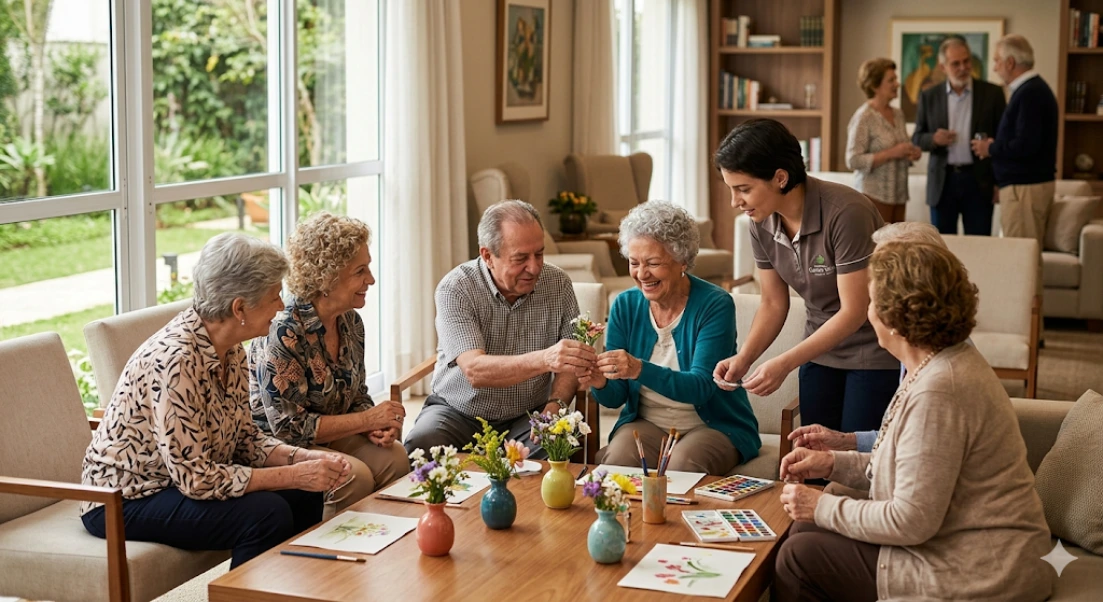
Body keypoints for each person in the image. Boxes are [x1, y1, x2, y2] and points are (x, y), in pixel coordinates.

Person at [773, 242, 1054, 602]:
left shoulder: (940, 390)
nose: (867, 311)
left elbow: (911, 520)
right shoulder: (938, 362)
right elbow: (912, 470)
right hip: (958, 539)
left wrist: (821, 506)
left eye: (872, 302)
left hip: (980, 565)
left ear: (895, 318)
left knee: (799, 557)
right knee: (803, 532)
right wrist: (832, 463)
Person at [81, 234, 351, 569]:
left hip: (176, 482)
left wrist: (301, 458)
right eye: (273, 297)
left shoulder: (231, 348)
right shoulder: (175, 362)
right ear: (240, 307)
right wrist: (294, 474)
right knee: (266, 513)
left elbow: (243, 439)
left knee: (306, 491)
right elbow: (197, 479)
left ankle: (291, 591)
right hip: (125, 499)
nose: (281, 306)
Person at [713, 119, 899, 435]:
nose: (735, 202)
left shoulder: (846, 212)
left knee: (855, 468)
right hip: (819, 350)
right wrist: (744, 358)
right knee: (813, 462)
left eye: (743, 189)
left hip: (873, 352)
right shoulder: (760, 222)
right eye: (731, 189)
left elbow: (854, 312)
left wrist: (784, 363)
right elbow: (772, 302)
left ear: (780, 178)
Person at [403, 200, 596, 457]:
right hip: (456, 413)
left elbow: (572, 362)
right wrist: (546, 358)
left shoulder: (557, 283)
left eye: (539, 253)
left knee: (557, 452)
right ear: (487, 256)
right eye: (521, 258)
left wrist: (555, 405)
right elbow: (475, 370)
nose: (535, 267)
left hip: (529, 416)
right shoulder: (456, 288)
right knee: (422, 445)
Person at [583, 202, 760, 475]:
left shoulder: (714, 304)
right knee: (616, 462)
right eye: (634, 262)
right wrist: (599, 380)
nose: (642, 274)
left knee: (682, 466)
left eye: (653, 263)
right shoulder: (624, 305)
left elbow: (702, 386)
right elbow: (615, 398)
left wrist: (638, 368)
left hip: (712, 425)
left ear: (683, 261)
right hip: (647, 422)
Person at [249, 213, 409, 511]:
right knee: (353, 476)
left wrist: (375, 426)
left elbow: (356, 393)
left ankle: (389, 542)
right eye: (361, 271)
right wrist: (367, 420)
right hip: (282, 445)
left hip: (332, 433)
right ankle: (333, 552)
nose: (371, 280)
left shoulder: (351, 321)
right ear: (327, 278)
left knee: (396, 457)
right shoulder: (284, 331)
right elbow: (288, 427)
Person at [788, 221, 949, 454]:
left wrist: (822, 492)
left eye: (877, 287)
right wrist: (846, 443)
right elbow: (903, 441)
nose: (868, 306)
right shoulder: (922, 349)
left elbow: (915, 473)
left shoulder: (938, 381)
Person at [913, 36, 1006, 236]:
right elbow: (917, 138)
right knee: (943, 250)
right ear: (942, 66)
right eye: (956, 63)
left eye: (966, 61)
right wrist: (934, 139)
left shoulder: (993, 93)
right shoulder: (929, 96)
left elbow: (1002, 139)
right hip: (943, 182)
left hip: (979, 180)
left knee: (980, 245)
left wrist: (999, 182)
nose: (963, 67)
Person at [972, 34, 1058, 248]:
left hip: (1024, 189)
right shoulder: (1031, 90)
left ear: (1010, 62)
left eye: (997, 61)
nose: (994, 68)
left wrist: (990, 147)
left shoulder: (1030, 93)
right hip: (1024, 187)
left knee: (1021, 258)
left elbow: (1026, 145)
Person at [846, 58, 921, 224]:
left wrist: (910, 153)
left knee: (896, 248)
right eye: (891, 80)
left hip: (899, 195)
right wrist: (892, 153)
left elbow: (899, 148)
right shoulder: (864, 117)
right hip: (874, 196)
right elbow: (853, 160)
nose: (897, 84)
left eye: (896, 79)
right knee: (877, 249)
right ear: (874, 86)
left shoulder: (898, 114)